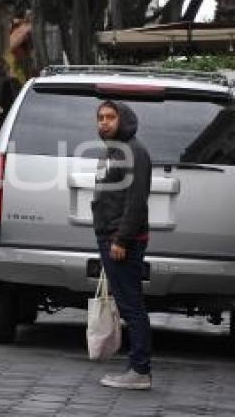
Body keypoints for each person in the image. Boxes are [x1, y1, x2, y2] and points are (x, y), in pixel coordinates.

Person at [91, 100, 153, 390]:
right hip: (109, 236)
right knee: (129, 304)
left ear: (123, 119)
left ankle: (140, 371)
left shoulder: (135, 152)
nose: (104, 122)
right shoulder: (114, 150)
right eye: (100, 117)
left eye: (110, 117)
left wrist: (121, 239)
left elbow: (136, 201)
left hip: (122, 241)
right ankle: (135, 367)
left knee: (131, 306)